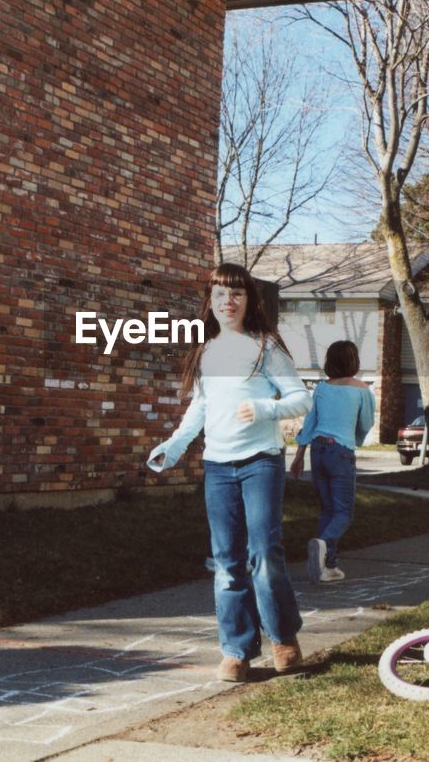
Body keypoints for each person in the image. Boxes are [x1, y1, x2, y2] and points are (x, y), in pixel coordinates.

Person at [148, 263, 311, 683]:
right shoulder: (206, 351)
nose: (228, 301)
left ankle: (282, 637)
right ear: (211, 301)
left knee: (264, 552)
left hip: (261, 460)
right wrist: (174, 446)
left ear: (248, 300)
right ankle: (236, 649)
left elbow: (299, 398)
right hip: (218, 467)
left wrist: (264, 409)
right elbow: (199, 408)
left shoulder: (264, 347)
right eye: (219, 294)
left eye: (236, 293)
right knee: (226, 561)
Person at [290, 340, 374, 584]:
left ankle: (329, 566)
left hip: (318, 450)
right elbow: (366, 424)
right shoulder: (362, 389)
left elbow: (310, 422)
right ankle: (323, 545)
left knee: (328, 509)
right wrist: (354, 440)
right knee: (344, 513)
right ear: (353, 361)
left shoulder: (321, 389)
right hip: (341, 452)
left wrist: (298, 456)